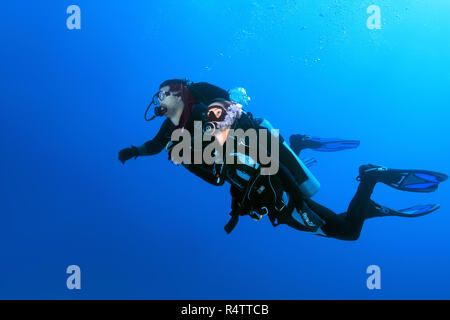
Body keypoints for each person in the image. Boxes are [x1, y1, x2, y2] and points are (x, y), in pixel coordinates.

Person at [119, 79, 448, 241]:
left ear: (177, 94)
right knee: (339, 223)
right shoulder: (175, 130)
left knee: (346, 231)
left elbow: (232, 107)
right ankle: (362, 199)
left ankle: (370, 178)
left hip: (269, 177)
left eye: (164, 96)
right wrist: (136, 150)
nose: (161, 103)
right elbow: (158, 145)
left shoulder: (202, 103)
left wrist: (213, 129)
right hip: (263, 184)